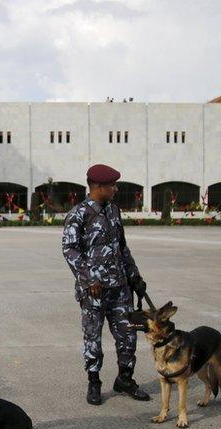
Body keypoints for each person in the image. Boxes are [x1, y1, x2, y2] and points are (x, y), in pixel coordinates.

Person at [62, 164, 150, 406]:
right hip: (94, 291)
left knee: (128, 335)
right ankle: (94, 382)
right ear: (98, 186)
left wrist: (135, 277)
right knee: (93, 337)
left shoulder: (113, 210)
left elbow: (122, 247)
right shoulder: (78, 214)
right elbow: (69, 249)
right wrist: (89, 277)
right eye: (112, 185)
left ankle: (125, 379)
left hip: (120, 287)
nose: (115, 188)